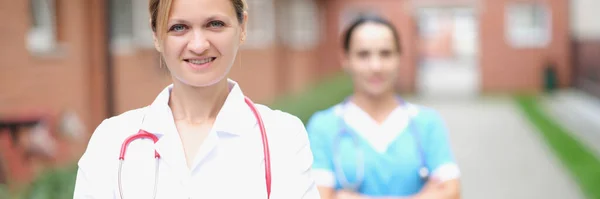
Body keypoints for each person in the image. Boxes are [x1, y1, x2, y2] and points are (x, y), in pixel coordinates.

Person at [73, 0, 319, 198]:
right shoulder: (111, 140)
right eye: (179, 27)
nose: (199, 45)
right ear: (156, 35)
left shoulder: (283, 135)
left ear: (242, 27)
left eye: (215, 24)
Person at [306, 14, 461, 199]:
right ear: (346, 60)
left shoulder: (427, 123)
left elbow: (451, 192)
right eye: (363, 55)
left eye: (385, 53)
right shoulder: (323, 126)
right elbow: (319, 196)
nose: (376, 66)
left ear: (399, 57)